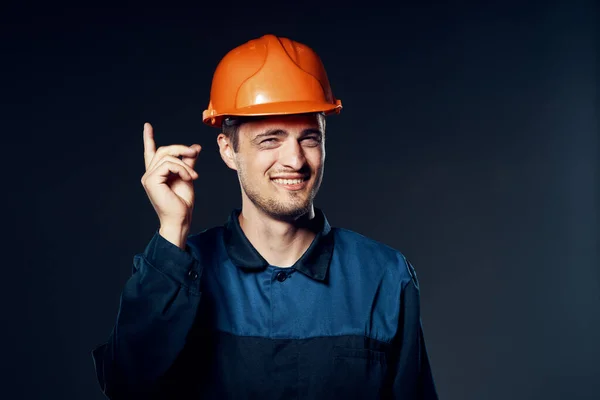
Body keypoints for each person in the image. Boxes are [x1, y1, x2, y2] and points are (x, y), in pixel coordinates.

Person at [92, 34, 438, 399]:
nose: (295, 160)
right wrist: (171, 229)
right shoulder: (179, 271)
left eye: (309, 138)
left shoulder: (384, 275)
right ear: (228, 150)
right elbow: (125, 384)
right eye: (271, 139)